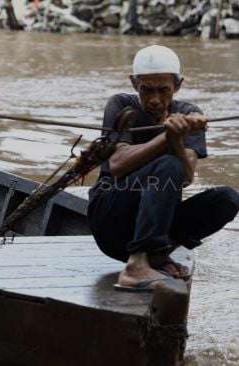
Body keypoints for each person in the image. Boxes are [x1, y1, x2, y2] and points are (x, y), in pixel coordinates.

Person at [88, 45, 239, 292]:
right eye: (146, 90)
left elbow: (186, 177)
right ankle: (136, 266)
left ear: (177, 86)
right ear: (134, 83)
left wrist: (179, 140)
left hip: (157, 224)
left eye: (163, 90)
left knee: (227, 199)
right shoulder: (121, 105)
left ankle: (157, 255)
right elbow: (116, 165)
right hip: (111, 220)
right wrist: (166, 138)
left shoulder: (189, 114)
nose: (155, 99)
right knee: (167, 163)